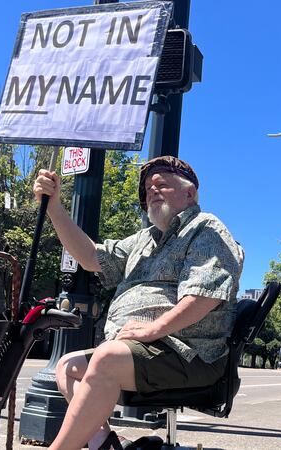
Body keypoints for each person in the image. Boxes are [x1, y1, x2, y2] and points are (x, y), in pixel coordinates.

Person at [33, 156, 243, 450]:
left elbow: (203, 296)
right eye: (147, 189)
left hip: (188, 354)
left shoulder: (206, 229)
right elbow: (91, 256)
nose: (151, 192)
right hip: (146, 349)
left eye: (162, 185)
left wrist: (152, 329)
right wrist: (54, 207)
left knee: (105, 360)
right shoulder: (143, 239)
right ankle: (105, 443)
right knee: (67, 366)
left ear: (190, 194)